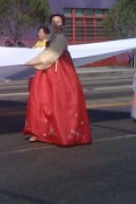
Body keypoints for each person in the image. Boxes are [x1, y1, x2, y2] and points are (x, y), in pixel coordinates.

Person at [24, 14, 91, 146]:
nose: (55, 23)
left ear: (63, 25)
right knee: (41, 100)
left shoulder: (61, 38)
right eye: (53, 21)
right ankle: (39, 132)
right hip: (47, 71)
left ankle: (62, 132)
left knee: (58, 101)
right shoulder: (51, 38)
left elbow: (50, 55)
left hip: (60, 72)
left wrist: (33, 61)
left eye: (58, 21)